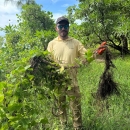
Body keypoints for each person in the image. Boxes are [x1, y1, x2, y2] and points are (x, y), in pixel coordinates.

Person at [47, 16, 106, 130]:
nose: (63, 28)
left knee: (76, 107)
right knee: (61, 106)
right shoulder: (52, 44)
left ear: (68, 28)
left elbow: (86, 56)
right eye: (61, 26)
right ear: (56, 28)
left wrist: (96, 53)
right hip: (57, 81)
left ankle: (77, 127)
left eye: (65, 26)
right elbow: (48, 61)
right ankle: (63, 125)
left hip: (72, 81)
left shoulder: (75, 43)